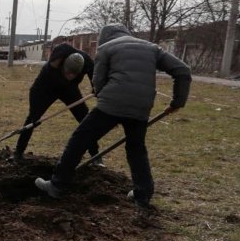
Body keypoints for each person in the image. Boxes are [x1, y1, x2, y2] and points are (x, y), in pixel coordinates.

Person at [35, 24, 191, 208]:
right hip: (141, 106)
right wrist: (178, 102)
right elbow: (183, 70)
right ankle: (142, 196)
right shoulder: (152, 48)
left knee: (80, 140)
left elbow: (98, 82)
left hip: (112, 103)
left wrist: (104, 99)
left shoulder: (106, 48)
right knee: (136, 149)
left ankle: (56, 186)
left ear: (104, 38)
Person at [14, 45, 102, 165]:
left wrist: (96, 88)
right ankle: (18, 153)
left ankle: (96, 156)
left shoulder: (86, 63)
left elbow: (96, 79)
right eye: (68, 73)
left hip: (69, 90)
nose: (70, 76)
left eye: (74, 74)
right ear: (62, 65)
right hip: (46, 89)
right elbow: (36, 91)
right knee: (32, 120)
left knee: (85, 119)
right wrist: (36, 113)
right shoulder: (54, 62)